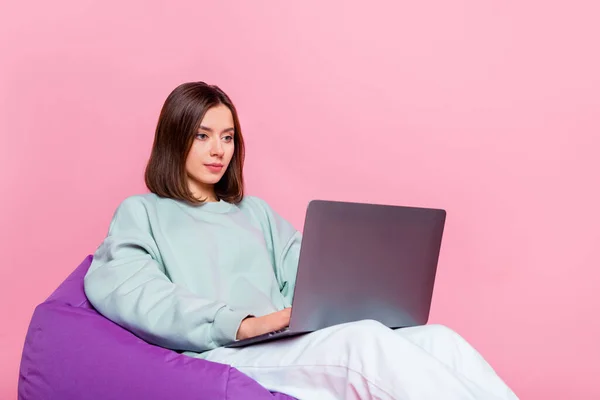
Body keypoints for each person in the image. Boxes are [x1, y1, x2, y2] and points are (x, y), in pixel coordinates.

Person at [84, 81, 519, 400]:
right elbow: (135, 292)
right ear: (173, 138)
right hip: (223, 353)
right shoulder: (142, 213)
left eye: (227, 136)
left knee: (438, 338)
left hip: (279, 342)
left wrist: (336, 307)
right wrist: (240, 322)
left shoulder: (254, 213)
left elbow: (306, 276)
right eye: (202, 135)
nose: (218, 150)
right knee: (361, 345)